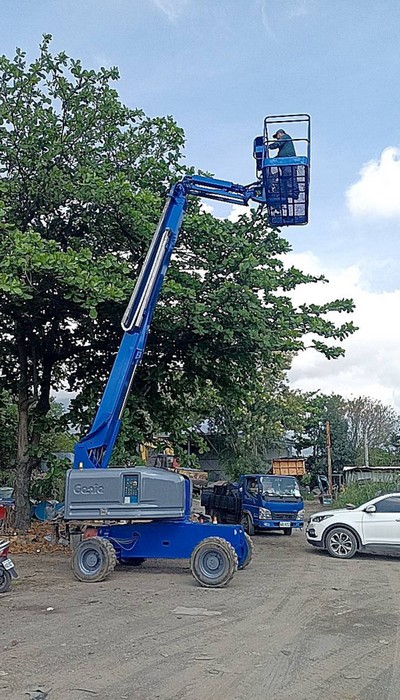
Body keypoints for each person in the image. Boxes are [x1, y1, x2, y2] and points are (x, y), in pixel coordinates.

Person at [267, 129, 299, 199]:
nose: (277, 138)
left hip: (288, 161)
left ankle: (292, 192)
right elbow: (280, 155)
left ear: (281, 133)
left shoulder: (286, 137)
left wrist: (268, 146)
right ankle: (288, 192)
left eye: (277, 136)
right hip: (285, 161)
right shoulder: (284, 149)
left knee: (289, 176)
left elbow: (278, 143)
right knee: (286, 177)